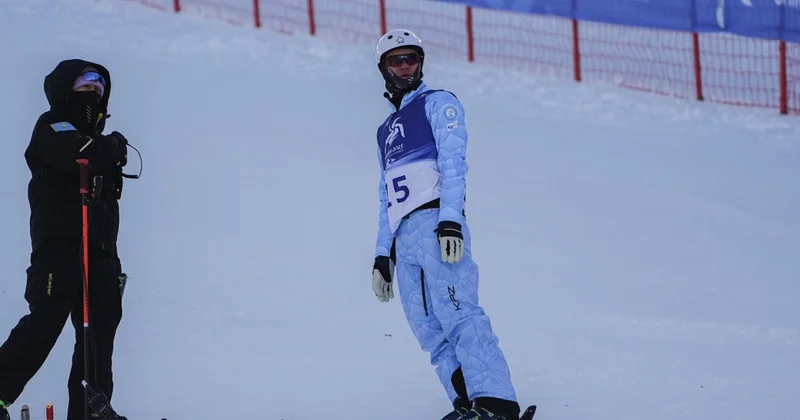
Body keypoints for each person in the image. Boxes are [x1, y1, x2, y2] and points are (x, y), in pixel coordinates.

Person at [370, 29, 524, 420]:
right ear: (384, 69)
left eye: (411, 59)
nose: (405, 66)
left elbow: (455, 165)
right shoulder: (385, 131)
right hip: (404, 238)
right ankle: (467, 402)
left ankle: (497, 403)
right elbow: (385, 195)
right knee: (428, 329)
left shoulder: (439, 103)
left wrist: (451, 221)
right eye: (396, 60)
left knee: (459, 313)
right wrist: (381, 256)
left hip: (437, 224)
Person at [0, 59, 130, 420]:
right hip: (60, 244)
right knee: (45, 321)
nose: (94, 91)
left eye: (100, 88)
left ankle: (89, 410)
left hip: (101, 250)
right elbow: (80, 156)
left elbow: (94, 154)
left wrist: (110, 147)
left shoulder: (102, 144)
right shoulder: (51, 126)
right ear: (64, 90)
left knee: (98, 335)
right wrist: (114, 146)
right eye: (85, 85)